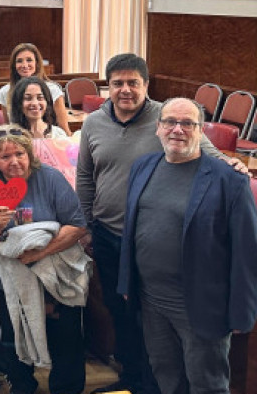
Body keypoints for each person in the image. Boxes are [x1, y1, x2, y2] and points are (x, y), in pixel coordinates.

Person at [76, 53, 246, 394]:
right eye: (118, 83)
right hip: (108, 236)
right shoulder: (93, 123)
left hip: (154, 242)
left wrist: (232, 164)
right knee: (121, 313)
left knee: (152, 321)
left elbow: (203, 147)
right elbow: (85, 176)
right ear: (108, 87)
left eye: (133, 83)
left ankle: (153, 383)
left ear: (146, 85)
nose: (125, 90)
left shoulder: (168, 117)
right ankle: (133, 378)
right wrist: (86, 225)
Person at [115, 98, 257, 394]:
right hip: (151, 299)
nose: (177, 129)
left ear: (201, 130)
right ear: (158, 127)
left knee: (207, 383)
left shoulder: (229, 180)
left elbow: (246, 252)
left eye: (187, 123)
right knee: (166, 376)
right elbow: (132, 228)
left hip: (201, 305)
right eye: (170, 122)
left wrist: (242, 312)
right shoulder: (143, 167)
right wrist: (127, 281)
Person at [0, 126, 90, 394]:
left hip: (55, 274)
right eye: (5, 157)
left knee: (65, 334)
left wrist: (39, 254)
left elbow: (77, 225)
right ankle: (22, 385)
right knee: (14, 336)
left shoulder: (51, 178)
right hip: (9, 279)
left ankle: (67, 388)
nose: (14, 161)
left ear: (29, 154)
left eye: (20, 154)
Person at [0, 43, 71, 134]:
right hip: (19, 139)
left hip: (49, 138)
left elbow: (64, 129)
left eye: (29, 60)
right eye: (19, 61)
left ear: (37, 63)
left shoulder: (53, 90)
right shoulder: (5, 91)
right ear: (14, 65)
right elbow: (8, 128)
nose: (24, 65)